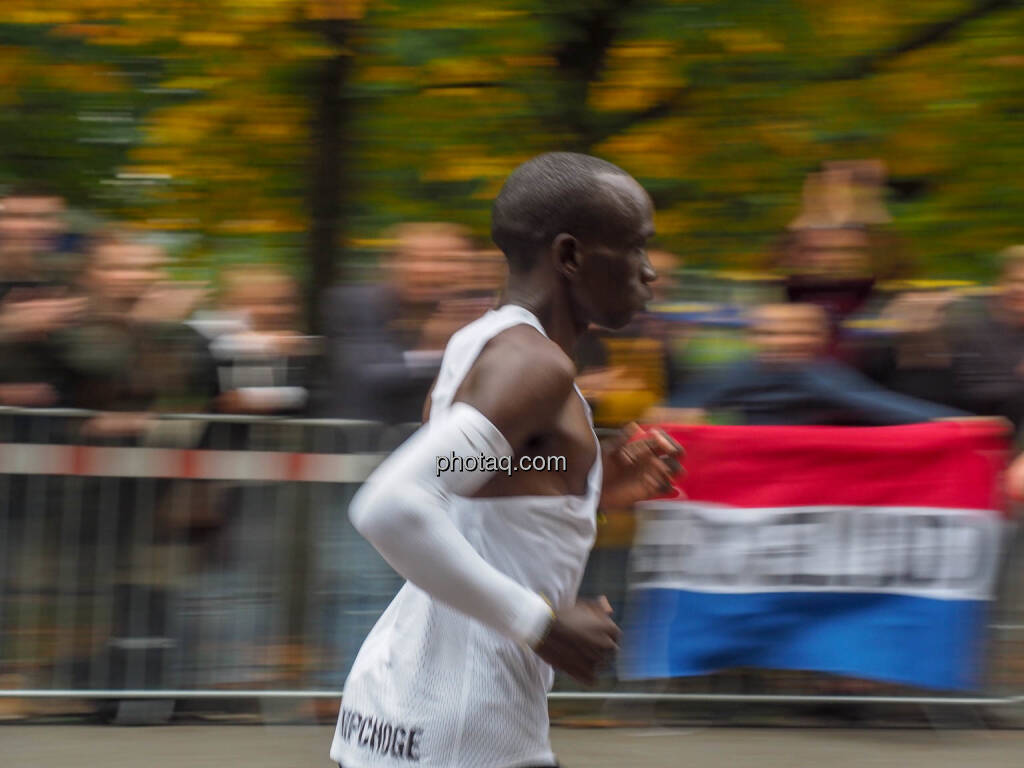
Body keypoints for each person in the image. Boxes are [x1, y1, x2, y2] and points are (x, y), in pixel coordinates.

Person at [330, 152, 682, 768]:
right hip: (464, 729)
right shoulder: (535, 366)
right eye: (635, 248)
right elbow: (392, 506)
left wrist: (590, 482)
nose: (649, 272)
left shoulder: (480, 341)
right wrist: (541, 623)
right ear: (570, 256)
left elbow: (462, 486)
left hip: (408, 707)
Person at [662, 302, 964, 426]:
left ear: (818, 339)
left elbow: (878, 404)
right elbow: (677, 410)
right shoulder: (735, 371)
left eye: (796, 333)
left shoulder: (824, 375)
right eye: (769, 334)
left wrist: (952, 423)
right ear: (754, 338)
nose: (782, 342)